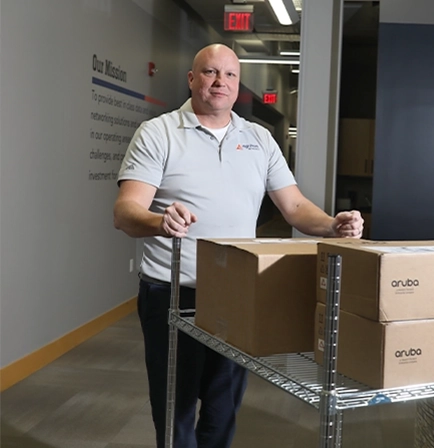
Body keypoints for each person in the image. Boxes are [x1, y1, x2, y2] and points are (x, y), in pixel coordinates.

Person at [113, 43, 363, 448]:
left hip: (236, 292)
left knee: (223, 406)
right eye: (210, 72)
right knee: (174, 407)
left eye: (229, 75)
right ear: (192, 79)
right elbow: (125, 212)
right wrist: (161, 221)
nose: (220, 82)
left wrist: (332, 224)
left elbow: (295, 207)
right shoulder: (158, 133)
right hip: (173, 292)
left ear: (238, 84)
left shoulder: (258, 138)